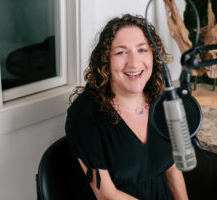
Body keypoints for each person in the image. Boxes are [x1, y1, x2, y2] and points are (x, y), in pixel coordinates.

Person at [65, 14, 189, 200]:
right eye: (121, 52)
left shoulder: (162, 101)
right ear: (106, 60)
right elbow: (106, 195)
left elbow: (172, 167)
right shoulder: (84, 114)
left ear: (154, 56)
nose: (134, 63)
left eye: (142, 50)